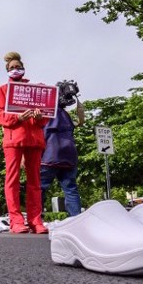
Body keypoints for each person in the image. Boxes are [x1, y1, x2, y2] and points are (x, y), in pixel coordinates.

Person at [0, 51, 50, 234]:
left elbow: (46, 117)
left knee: (35, 182)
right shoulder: (1, 91)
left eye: (18, 67)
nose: (15, 70)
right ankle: (16, 221)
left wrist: (40, 117)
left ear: (23, 69)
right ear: (7, 70)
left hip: (34, 140)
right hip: (13, 139)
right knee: (12, 180)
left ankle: (35, 220)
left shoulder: (36, 90)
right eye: (12, 68)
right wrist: (17, 118)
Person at [41, 84, 85, 217]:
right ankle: (76, 217)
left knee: (39, 187)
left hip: (50, 155)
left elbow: (42, 134)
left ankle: (36, 217)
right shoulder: (66, 115)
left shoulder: (46, 113)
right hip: (69, 155)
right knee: (71, 189)